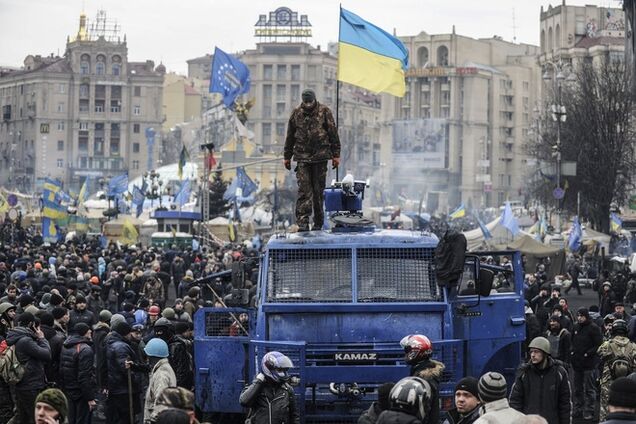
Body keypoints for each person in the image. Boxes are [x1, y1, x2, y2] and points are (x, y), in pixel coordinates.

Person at [283, 88, 341, 231]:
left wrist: (336, 155)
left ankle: (318, 222)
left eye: (310, 101)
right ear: (303, 101)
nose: (308, 104)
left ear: (314, 100)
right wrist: (287, 157)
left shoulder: (324, 112)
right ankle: (303, 222)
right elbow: (290, 136)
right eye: (306, 102)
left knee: (318, 191)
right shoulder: (296, 113)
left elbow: (333, 133)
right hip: (302, 158)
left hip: (320, 157)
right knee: (304, 190)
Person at [509, 337, 571, 423]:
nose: (532, 355)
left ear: (545, 353)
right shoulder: (524, 373)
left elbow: (565, 404)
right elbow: (515, 402)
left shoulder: (559, 373)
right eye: (531, 351)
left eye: (536, 351)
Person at [6, 312, 51, 424]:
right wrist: (42, 339)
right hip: (30, 384)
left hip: (22, 383)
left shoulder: (17, 335)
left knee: (22, 418)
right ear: (32, 324)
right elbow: (47, 355)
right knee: (37, 418)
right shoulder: (26, 340)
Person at [239, 351, 300, 424]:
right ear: (269, 369)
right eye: (280, 370)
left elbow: (294, 416)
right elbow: (244, 402)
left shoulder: (287, 390)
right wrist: (258, 381)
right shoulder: (257, 387)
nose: (283, 373)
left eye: (284, 370)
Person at [106, 321, 146, 424]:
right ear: (126, 333)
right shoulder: (121, 347)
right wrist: (136, 381)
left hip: (117, 387)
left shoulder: (113, 343)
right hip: (124, 389)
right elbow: (125, 368)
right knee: (126, 417)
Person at [597, 319, 636, 421]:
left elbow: (599, 353)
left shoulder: (607, 344)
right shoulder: (633, 346)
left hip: (608, 381)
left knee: (605, 409)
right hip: (628, 382)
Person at [59, 322, 97, 424]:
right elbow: (84, 376)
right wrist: (90, 398)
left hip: (69, 389)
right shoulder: (85, 349)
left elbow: (62, 369)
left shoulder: (66, 345)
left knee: (72, 419)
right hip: (81, 393)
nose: (90, 331)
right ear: (83, 332)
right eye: (88, 329)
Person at [401, 334, 444, 424]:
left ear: (416, 351)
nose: (405, 353)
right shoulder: (424, 373)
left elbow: (423, 411)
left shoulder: (424, 379)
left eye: (407, 350)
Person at [570, 307, 603, 420]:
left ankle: (589, 410)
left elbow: (599, 344)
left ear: (586, 316)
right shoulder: (575, 326)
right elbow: (572, 341)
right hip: (577, 363)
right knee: (577, 389)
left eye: (581, 316)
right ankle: (578, 409)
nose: (579, 318)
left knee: (589, 389)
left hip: (589, 364)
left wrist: (588, 353)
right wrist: (572, 353)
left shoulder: (594, 328)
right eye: (578, 316)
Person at [144, 338, 177, 423]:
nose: (147, 359)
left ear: (153, 357)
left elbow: (161, 404)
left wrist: (153, 420)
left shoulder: (161, 374)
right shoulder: (163, 368)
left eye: (148, 356)